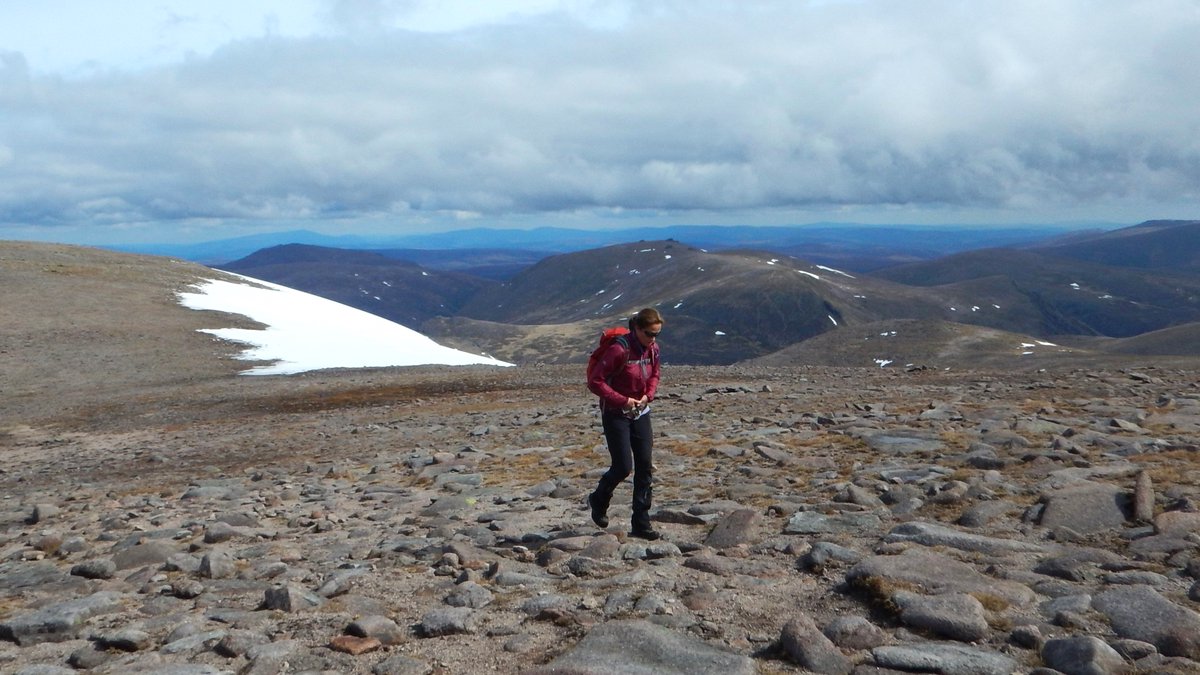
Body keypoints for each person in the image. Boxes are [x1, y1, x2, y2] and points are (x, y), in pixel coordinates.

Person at [586, 307, 664, 540]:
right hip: (615, 413)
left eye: (657, 334)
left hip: (640, 411)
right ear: (637, 329)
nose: (653, 339)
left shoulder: (653, 349)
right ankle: (599, 499)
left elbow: (655, 375)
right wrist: (622, 400)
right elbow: (595, 381)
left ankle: (641, 522)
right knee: (622, 467)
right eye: (650, 334)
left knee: (645, 466)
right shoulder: (619, 349)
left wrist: (646, 396)